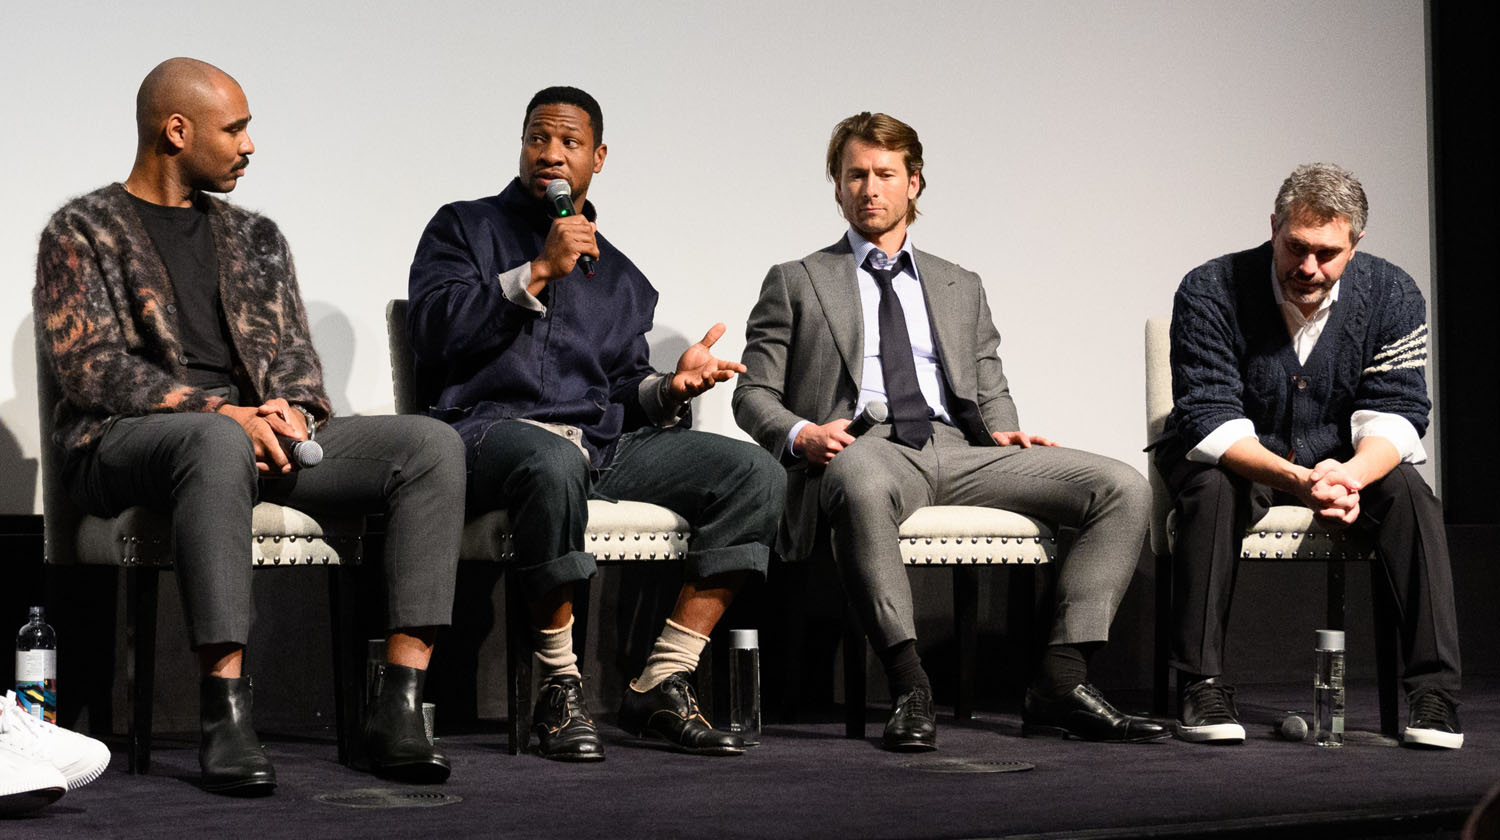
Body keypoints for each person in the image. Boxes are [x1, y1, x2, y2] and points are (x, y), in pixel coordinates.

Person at [33, 58, 466, 794]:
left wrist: (291, 410)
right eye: (234, 129)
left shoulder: (257, 238)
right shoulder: (82, 230)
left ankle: (399, 705)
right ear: (177, 131)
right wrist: (220, 412)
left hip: (252, 436)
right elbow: (92, 369)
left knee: (430, 446)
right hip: (124, 441)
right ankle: (226, 713)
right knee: (214, 440)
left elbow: (295, 359)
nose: (249, 145)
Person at [733, 112, 1166, 751]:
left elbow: (989, 384)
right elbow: (752, 394)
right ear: (837, 186)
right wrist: (802, 435)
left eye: (885, 174)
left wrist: (1006, 432)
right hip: (866, 448)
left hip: (960, 449)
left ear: (914, 183)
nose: (869, 189)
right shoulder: (797, 280)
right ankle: (910, 684)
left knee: (1122, 486)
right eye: (855, 175)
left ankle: (1061, 679)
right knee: (858, 476)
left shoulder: (961, 283)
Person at [406, 86, 783, 761]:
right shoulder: (463, 227)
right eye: (537, 138)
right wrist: (536, 271)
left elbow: (621, 391)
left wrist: (669, 388)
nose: (550, 153)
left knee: (753, 474)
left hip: (595, 445)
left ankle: (663, 679)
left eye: (568, 142)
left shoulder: (623, 278)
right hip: (484, 431)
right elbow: (433, 333)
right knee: (550, 461)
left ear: (598, 158)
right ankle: (560, 686)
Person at [1156, 162, 1463, 749]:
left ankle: (1435, 695)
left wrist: (1349, 476)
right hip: (1236, 454)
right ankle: (1202, 684)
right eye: (1296, 247)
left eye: (1327, 253)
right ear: (1273, 227)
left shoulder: (1393, 293)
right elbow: (1210, 416)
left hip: (1339, 460)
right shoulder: (1209, 288)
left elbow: (1397, 410)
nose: (1308, 267)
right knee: (1213, 491)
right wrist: (1299, 480)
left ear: (1356, 244)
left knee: (1412, 496)